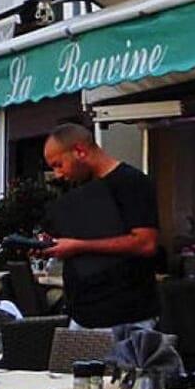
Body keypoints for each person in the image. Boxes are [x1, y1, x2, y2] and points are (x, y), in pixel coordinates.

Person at [41, 120, 161, 332]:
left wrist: (78, 246)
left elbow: (146, 243)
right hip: (82, 313)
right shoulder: (79, 189)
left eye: (59, 164)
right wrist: (50, 245)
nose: (58, 174)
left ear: (80, 151)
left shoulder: (132, 183)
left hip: (125, 315)